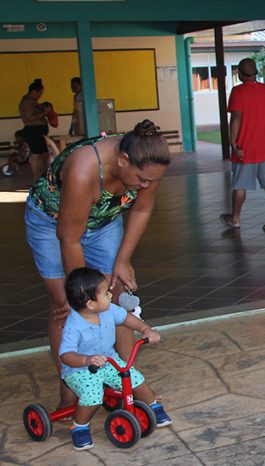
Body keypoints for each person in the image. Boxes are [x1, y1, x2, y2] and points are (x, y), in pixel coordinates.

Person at [25, 119, 170, 409]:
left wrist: (123, 260)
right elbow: (69, 238)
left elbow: (142, 208)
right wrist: (84, 294)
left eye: (151, 181)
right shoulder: (84, 168)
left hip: (103, 222)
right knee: (66, 306)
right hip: (52, 223)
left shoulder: (149, 165)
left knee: (113, 298)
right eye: (141, 179)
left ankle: (123, 378)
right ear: (123, 160)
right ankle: (70, 386)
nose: (146, 185)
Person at [59, 267, 170, 451]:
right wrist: (87, 360)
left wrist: (145, 329)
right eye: (104, 293)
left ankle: (153, 406)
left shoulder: (108, 309)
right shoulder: (74, 326)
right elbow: (66, 355)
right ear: (91, 304)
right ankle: (79, 426)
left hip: (108, 360)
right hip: (79, 370)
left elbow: (126, 318)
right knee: (93, 396)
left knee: (134, 377)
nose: (110, 294)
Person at [220, 58, 265, 233]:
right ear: (256, 72)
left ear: (240, 74)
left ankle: (235, 219)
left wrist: (233, 142)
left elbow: (236, 118)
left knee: (240, 185)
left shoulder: (238, 92)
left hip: (245, 147)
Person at [19, 78, 52, 179]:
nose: (40, 96)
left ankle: (47, 177)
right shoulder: (27, 102)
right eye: (40, 93)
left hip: (38, 131)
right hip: (33, 131)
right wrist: (44, 113)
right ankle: (37, 178)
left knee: (45, 155)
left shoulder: (33, 102)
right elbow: (30, 118)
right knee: (36, 156)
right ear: (34, 92)